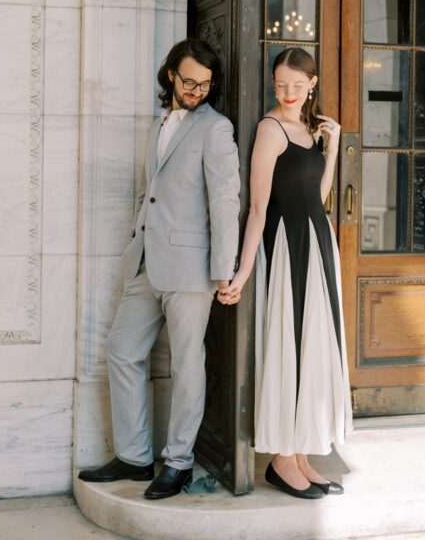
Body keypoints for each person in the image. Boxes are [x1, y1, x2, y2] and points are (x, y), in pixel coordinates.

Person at [78, 39, 240, 500]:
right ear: (170, 74)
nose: (197, 90)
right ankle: (133, 457)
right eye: (189, 81)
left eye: (205, 84)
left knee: (188, 365)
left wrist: (224, 270)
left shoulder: (216, 129)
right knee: (122, 350)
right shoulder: (157, 127)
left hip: (193, 269)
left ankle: (179, 462)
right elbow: (148, 192)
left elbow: (225, 200)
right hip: (145, 261)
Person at [220, 47, 351, 499]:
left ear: (312, 84)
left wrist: (332, 149)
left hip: (317, 242)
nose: (289, 93)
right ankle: (280, 459)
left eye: (297, 85)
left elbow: (319, 195)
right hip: (285, 244)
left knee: (313, 345)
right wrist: (242, 271)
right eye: (281, 85)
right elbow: (257, 207)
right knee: (289, 343)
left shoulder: (310, 129)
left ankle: (300, 456)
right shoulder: (270, 129)